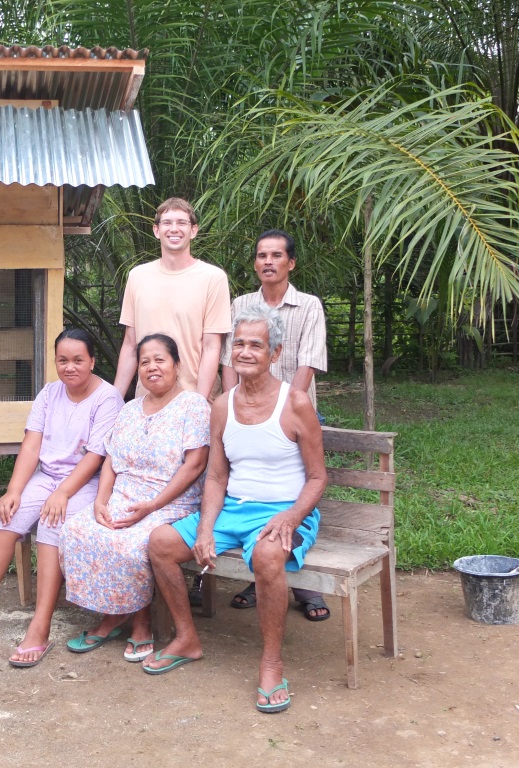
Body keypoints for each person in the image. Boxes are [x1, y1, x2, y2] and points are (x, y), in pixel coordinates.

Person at [146, 306, 327, 714]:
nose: (245, 352)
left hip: (284, 510)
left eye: (256, 345)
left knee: (266, 556)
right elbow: (215, 477)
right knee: (160, 543)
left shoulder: (295, 403)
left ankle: (271, 662)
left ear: (275, 353)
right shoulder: (222, 405)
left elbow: (317, 478)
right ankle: (187, 639)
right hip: (233, 510)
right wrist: (206, 527)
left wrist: (290, 517)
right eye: (239, 344)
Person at [0, 328, 124, 668]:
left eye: (78, 360)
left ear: (93, 361)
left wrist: (63, 493)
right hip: (46, 476)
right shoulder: (49, 393)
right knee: (4, 517)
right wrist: (13, 490)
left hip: (86, 482)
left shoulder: (108, 398)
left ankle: (40, 627)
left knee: (53, 523)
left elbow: (96, 456)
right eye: (62, 360)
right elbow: (32, 445)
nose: (70, 367)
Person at [193, 229, 330, 620]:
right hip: (241, 407)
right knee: (232, 473)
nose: (268, 261)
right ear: (255, 263)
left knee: (296, 482)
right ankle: (236, 575)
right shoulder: (240, 304)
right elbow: (227, 358)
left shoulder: (308, 305)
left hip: (292, 410)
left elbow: (308, 360)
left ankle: (304, 587)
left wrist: (284, 403)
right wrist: (237, 402)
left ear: (291, 262)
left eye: (276, 255)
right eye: (261, 255)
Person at [60, 334, 210, 662]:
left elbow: (195, 464)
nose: (152, 367)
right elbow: (111, 459)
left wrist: (153, 506)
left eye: (160, 360)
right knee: (78, 530)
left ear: (177, 365)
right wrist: (101, 501)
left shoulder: (194, 405)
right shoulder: (129, 410)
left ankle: (140, 623)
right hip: (124, 496)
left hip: (171, 502)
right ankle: (114, 613)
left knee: (130, 544)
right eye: (144, 362)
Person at [113, 198, 232, 402]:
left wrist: (198, 404)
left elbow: (212, 347)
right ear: (156, 230)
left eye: (181, 222)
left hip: (193, 397)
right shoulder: (137, 276)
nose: (174, 229)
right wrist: (112, 402)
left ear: (193, 230)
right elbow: (130, 344)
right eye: (167, 223)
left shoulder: (213, 278)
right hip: (147, 400)